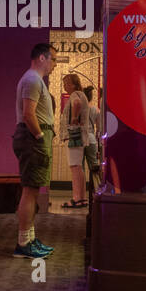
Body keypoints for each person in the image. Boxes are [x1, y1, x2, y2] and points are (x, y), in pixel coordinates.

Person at [12, 43, 56, 258]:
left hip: (35, 139)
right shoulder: (31, 80)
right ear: (41, 58)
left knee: (32, 190)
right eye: (53, 59)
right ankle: (23, 243)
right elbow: (29, 114)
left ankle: (29, 238)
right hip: (33, 139)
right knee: (29, 192)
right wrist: (39, 137)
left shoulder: (35, 80)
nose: (54, 64)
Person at [61, 74, 89, 208]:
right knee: (78, 166)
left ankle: (77, 198)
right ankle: (82, 198)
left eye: (67, 83)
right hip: (80, 135)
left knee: (74, 167)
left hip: (74, 135)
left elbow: (76, 104)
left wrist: (73, 118)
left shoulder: (75, 95)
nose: (65, 86)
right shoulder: (81, 94)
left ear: (74, 84)